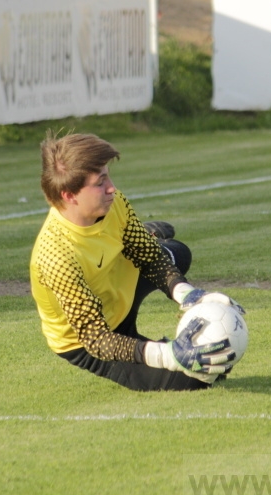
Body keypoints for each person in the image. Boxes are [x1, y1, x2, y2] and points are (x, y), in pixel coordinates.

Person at [29, 131, 244, 391]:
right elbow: (97, 339)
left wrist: (190, 295)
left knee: (177, 253)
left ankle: (141, 235)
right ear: (69, 195)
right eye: (100, 183)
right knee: (200, 378)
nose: (112, 188)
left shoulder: (114, 201)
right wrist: (170, 354)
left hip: (119, 290)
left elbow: (150, 257)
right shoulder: (55, 255)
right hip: (92, 339)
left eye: (108, 176)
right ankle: (141, 237)